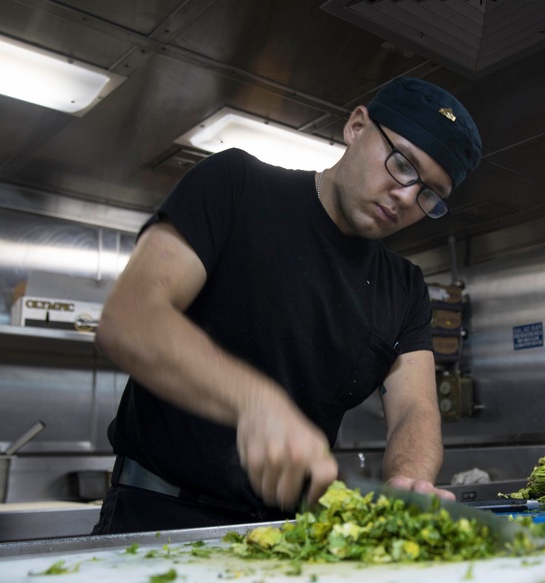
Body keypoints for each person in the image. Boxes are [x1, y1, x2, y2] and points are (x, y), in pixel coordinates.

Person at [91, 77, 482, 534]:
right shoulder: (236, 186)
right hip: (157, 518)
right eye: (401, 164)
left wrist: (408, 480)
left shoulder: (405, 286)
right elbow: (131, 318)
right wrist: (257, 403)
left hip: (289, 534)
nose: (406, 197)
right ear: (357, 127)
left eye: (429, 195)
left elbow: (415, 406)